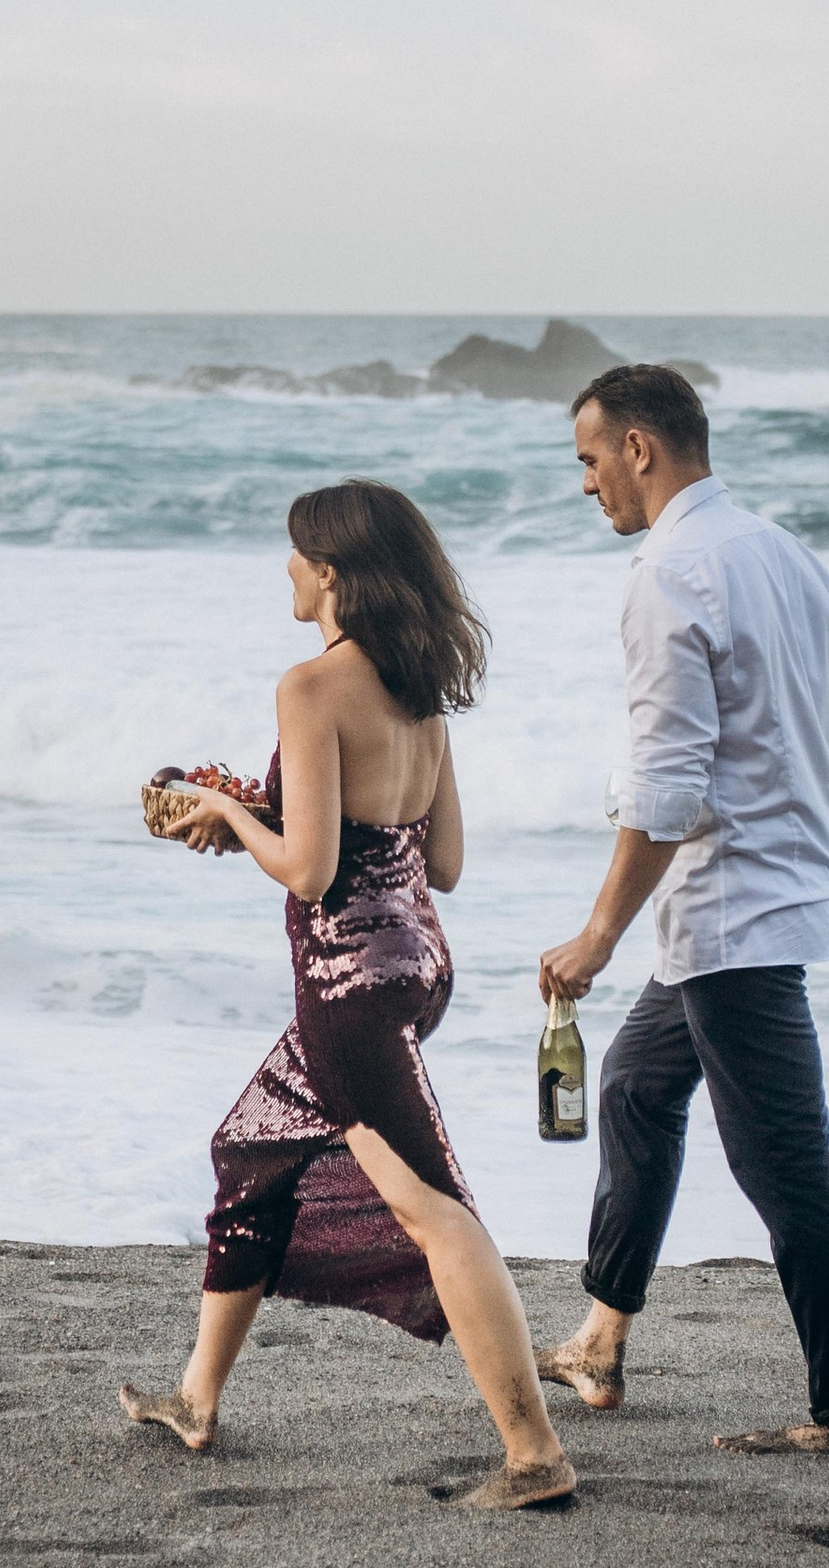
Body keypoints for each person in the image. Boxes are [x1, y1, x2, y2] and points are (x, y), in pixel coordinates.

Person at [122, 479, 575, 1513]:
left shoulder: (311, 687)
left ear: (329, 572)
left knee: (435, 1210)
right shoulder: (420, 690)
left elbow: (312, 872)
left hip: (349, 994)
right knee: (250, 1155)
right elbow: (442, 861)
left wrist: (231, 820)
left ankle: (534, 1454)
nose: (284, 569)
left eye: (294, 555)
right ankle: (195, 1399)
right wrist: (258, 804)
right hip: (418, 970)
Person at [534, 364, 829, 1455]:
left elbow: (669, 792)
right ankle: (600, 1335)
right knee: (638, 1088)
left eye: (590, 461)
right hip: (744, 901)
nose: (587, 485)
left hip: (733, 915)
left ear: (639, 448)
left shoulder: (668, 575)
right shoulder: (787, 555)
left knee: (785, 1163)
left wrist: (596, 933)